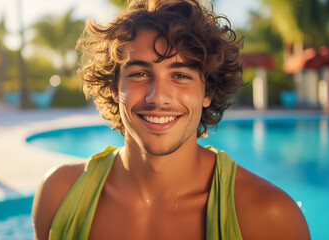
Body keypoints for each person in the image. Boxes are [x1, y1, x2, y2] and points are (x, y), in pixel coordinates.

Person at [32, 0, 311, 239]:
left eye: (180, 76)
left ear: (207, 91)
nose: (158, 97)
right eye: (140, 74)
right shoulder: (59, 195)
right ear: (115, 88)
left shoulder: (269, 217)